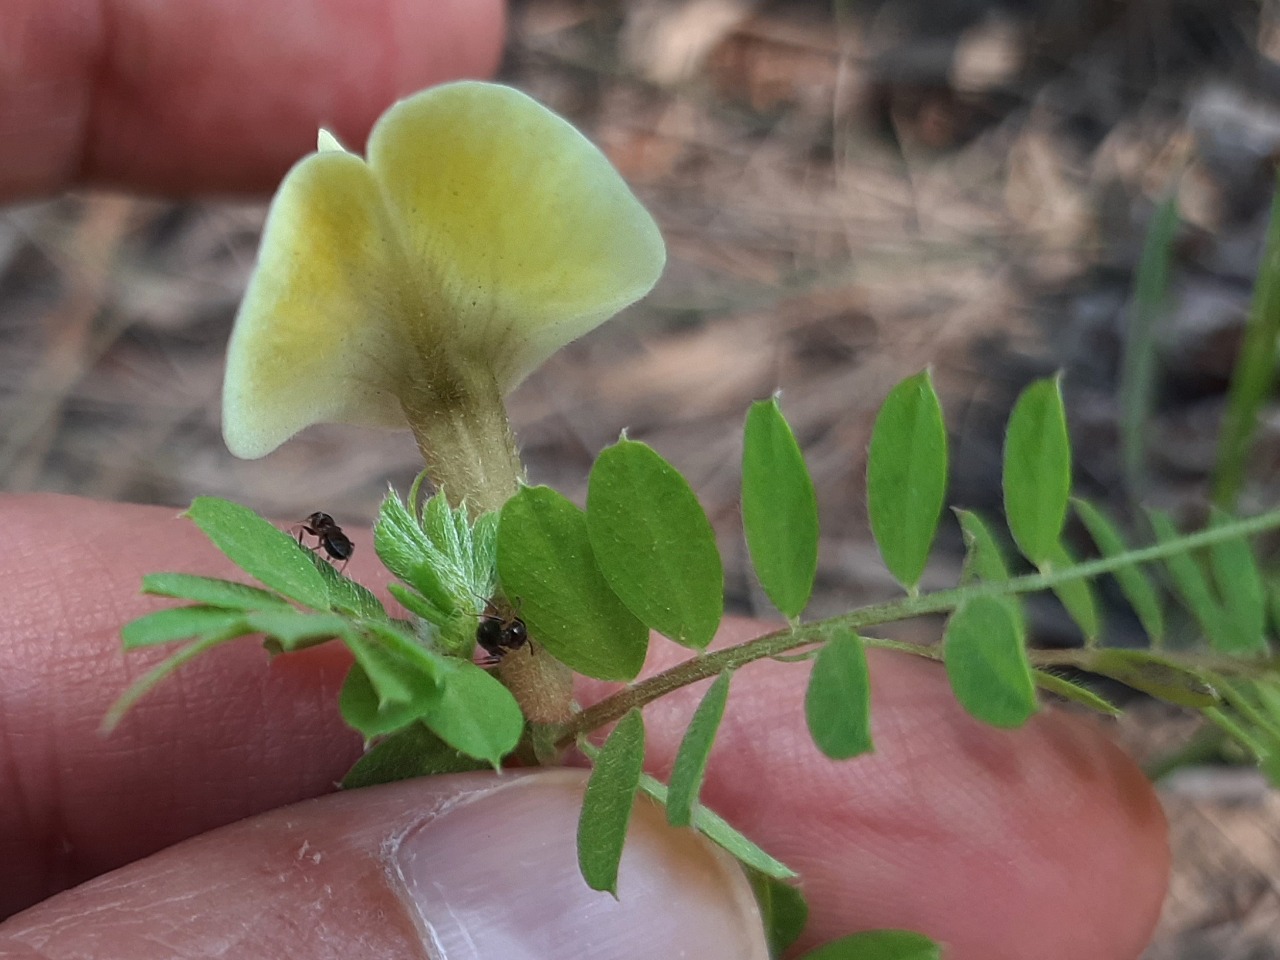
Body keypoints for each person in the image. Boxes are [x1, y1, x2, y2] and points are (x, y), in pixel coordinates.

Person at [0, 3, 1167, 957]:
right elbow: (367, 561)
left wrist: (507, 674)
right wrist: (485, 654)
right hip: (499, 642)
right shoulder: (392, 547)